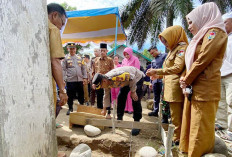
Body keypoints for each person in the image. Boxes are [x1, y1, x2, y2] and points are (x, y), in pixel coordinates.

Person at [179, 3, 227, 157]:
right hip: (194, 87)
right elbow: (192, 62)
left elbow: (203, 58)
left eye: (191, 22)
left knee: (200, 128)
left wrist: (186, 79)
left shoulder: (215, 32)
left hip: (205, 89)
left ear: (204, 17)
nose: (190, 26)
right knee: (190, 125)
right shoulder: (202, 35)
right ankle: (187, 152)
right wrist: (184, 78)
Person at [147, 25, 188, 145]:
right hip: (169, 86)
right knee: (173, 115)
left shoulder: (182, 48)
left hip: (175, 87)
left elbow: (177, 68)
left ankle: (177, 139)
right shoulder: (172, 50)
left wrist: (157, 71)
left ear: (174, 37)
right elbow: (168, 70)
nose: (165, 43)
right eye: (163, 41)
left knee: (176, 115)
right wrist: (158, 76)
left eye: (166, 40)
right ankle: (176, 136)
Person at [92, 66, 144, 136]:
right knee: (121, 97)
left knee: (135, 99)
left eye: (101, 86)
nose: (102, 88)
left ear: (104, 81)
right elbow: (106, 96)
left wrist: (133, 91)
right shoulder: (105, 82)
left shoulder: (117, 76)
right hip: (126, 81)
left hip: (136, 78)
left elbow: (133, 77)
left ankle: (137, 123)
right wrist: (104, 109)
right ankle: (119, 120)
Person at [47, 3, 68, 157]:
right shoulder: (52, 29)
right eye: (62, 22)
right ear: (54, 15)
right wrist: (62, 90)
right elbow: (55, 61)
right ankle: (51, 152)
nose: (61, 27)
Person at [215, 12, 232, 139]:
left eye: (225, 22)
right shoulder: (222, 38)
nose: (223, 26)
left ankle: (230, 130)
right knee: (220, 101)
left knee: (231, 102)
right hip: (220, 74)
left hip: (231, 75)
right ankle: (221, 125)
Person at [62, 43, 87, 115]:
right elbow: (63, 69)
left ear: (75, 49)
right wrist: (64, 78)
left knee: (81, 94)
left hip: (79, 80)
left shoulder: (80, 58)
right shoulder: (66, 58)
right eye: (71, 48)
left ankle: (81, 107)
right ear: (68, 49)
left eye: (73, 48)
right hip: (70, 80)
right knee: (70, 95)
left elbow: (83, 68)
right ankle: (70, 108)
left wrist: (85, 77)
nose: (72, 50)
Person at [92, 43, 114, 109]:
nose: (102, 52)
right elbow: (93, 72)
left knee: (107, 96)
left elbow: (113, 71)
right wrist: (94, 82)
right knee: (99, 96)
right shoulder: (96, 60)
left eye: (104, 51)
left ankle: (108, 112)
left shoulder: (110, 60)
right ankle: (99, 110)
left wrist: (110, 80)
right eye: (101, 50)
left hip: (107, 81)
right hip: (98, 81)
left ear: (106, 51)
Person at [147, 46, 167, 117]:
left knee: (164, 97)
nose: (152, 54)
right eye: (151, 54)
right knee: (156, 96)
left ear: (156, 49)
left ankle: (165, 114)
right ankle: (155, 111)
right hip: (155, 81)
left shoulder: (165, 56)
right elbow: (151, 73)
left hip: (163, 80)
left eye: (153, 52)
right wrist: (150, 82)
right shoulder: (153, 61)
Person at [121, 47, 140, 114]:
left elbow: (137, 69)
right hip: (125, 80)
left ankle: (131, 109)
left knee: (131, 94)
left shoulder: (135, 59)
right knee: (124, 94)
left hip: (132, 79)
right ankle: (125, 108)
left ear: (130, 53)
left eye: (127, 54)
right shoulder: (124, 60)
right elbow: (121, 69)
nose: (126, 56)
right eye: (125, 54)